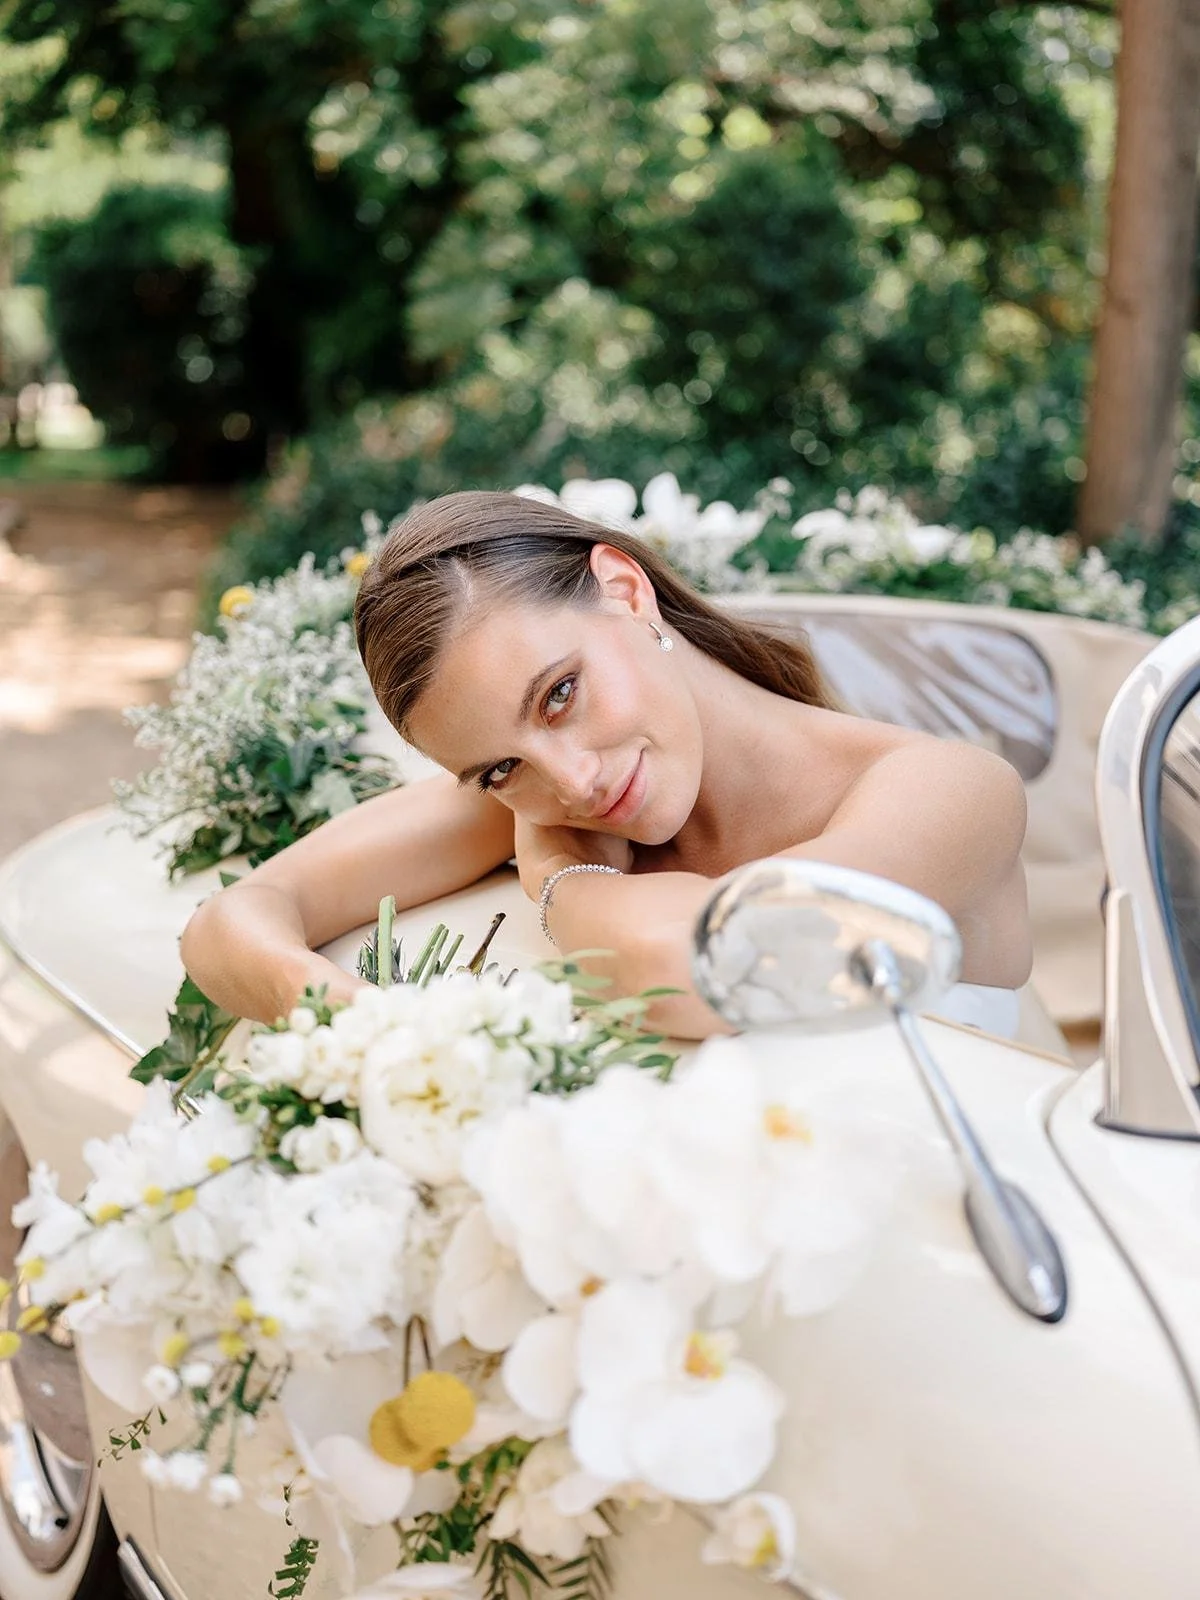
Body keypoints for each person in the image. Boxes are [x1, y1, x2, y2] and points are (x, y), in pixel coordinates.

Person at [180, 490, 1033, 1039]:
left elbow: (701, 965)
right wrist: (357, 1029)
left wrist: (562, 877)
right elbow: (233, 921)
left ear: (626, 592)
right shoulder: (540, 796)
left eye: (559, 695)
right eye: (497, 769)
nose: (574, 781)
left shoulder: (949, 790)